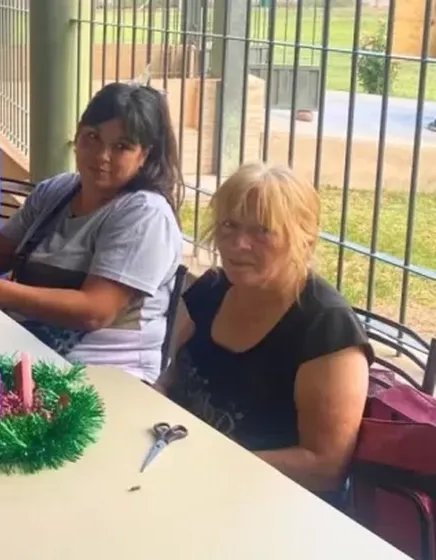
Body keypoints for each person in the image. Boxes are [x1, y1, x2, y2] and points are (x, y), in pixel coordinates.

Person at [0, 83, 183, 382]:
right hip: (26, 347)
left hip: (101, 374)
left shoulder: (145, 214)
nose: (102, 155)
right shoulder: (58, 190)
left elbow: (95, 311)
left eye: (122, 146)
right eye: (92, 137)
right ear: (77, 137)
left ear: (144, 156)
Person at [158, 163, 372, 496]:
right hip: (178, 475)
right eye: (229, 225)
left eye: (262, 231)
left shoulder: (326, 329)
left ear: (305, 240)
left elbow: (324, 467)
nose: (238, 244)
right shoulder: (211, 290)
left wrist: (210, 464)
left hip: (268, 502)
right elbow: (171, 382)